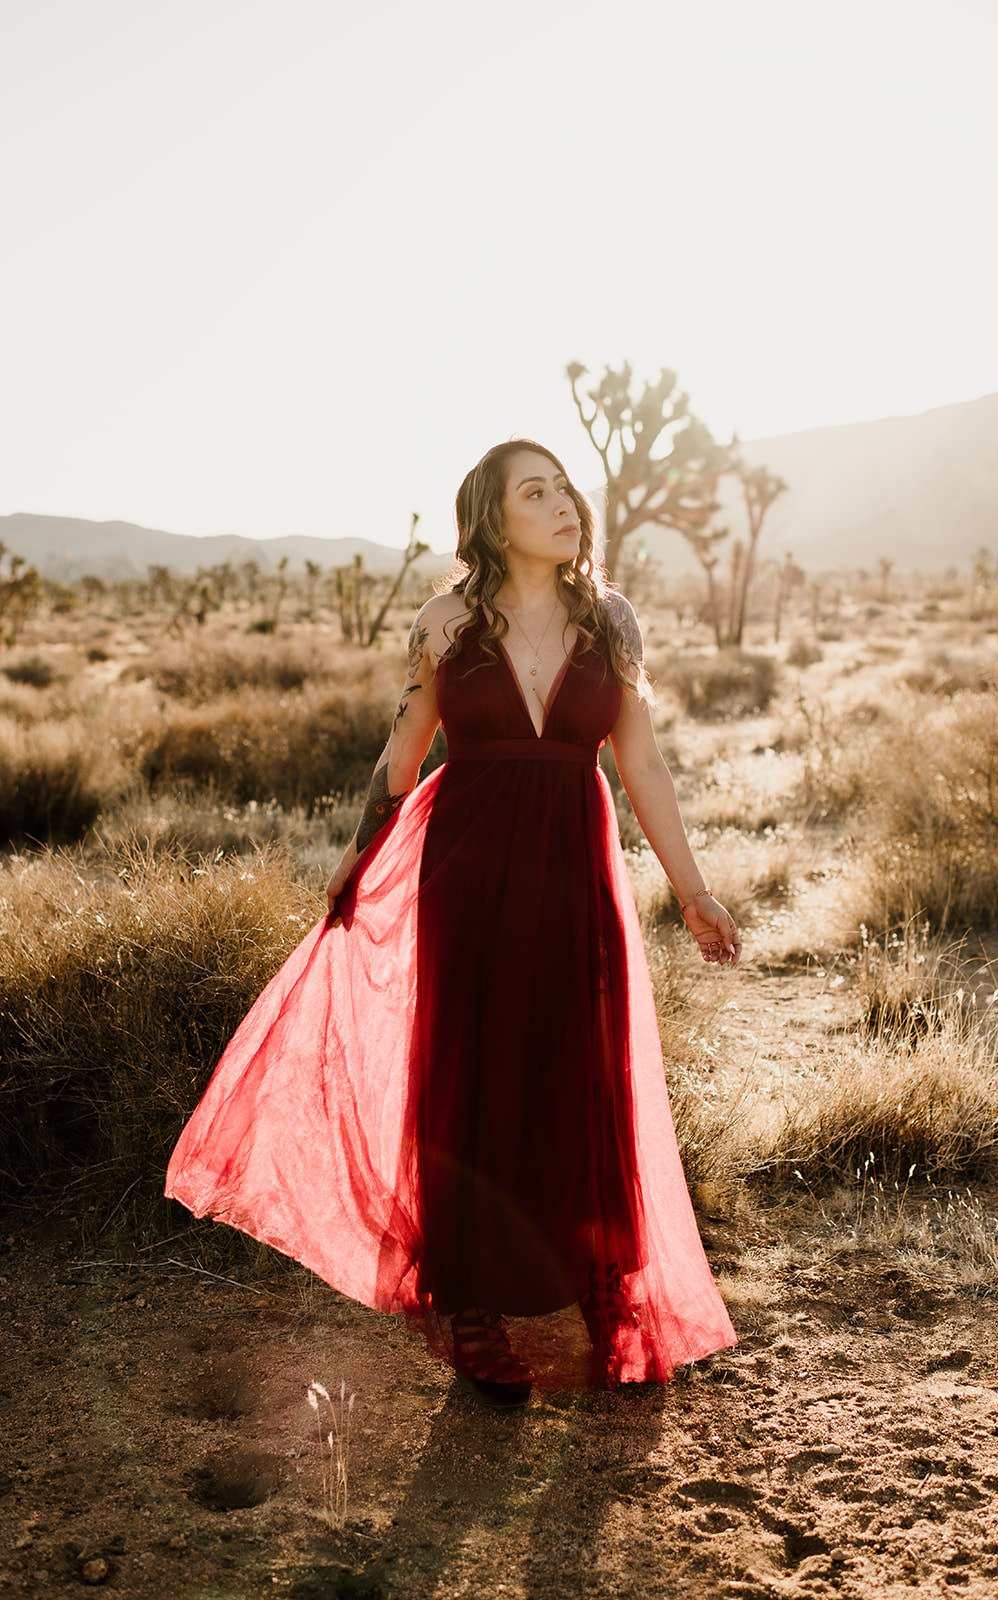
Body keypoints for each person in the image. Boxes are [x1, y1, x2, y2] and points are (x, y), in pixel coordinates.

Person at [165, 438, 741, 1408]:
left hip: (572, 866)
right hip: (468, 868)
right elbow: (403, 753)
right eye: (534, 491)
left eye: (563, 487)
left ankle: (605, 1292)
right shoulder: (444, 622)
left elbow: (641, 764)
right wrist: (354, 852)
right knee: (466, 1071)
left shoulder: (611, 621)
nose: (562, 504)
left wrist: (691, 889)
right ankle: (470, 1305)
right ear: (490, 516)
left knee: (583, 1068)